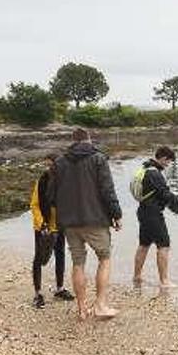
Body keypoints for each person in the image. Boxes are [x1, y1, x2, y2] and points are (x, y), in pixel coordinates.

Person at [51, 128, 123, 320]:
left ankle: (82, 309)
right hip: (95, 219)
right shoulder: (98, 159)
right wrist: (116, 214)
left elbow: (51, 196)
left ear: (72, 141)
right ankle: (100, 305)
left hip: (70, 223)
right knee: (104, 258)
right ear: (89, 140)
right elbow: (107, 190)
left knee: (78, 263)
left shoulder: (59, 163)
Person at [133, 146, 178, 291]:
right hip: (153, 214)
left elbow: (158, 193)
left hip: (143, 211)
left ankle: (137, 276)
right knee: (164, 245)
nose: (167, 165)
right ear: (162, 158)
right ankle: (164, 281)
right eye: (168, 162)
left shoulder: (145, 168)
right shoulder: (155, 174)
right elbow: (164, 194)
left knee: (144, 244)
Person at [29, 153, 73, 308]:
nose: (48, 168)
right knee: (39, 258)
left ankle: (60, 288)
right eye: (46, 165)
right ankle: (38, 293)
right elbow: (34, 205)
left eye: (50, 165)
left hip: (60, 225)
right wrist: (42, 224)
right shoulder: (42, 181)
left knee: (60, 254)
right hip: (43, 227)